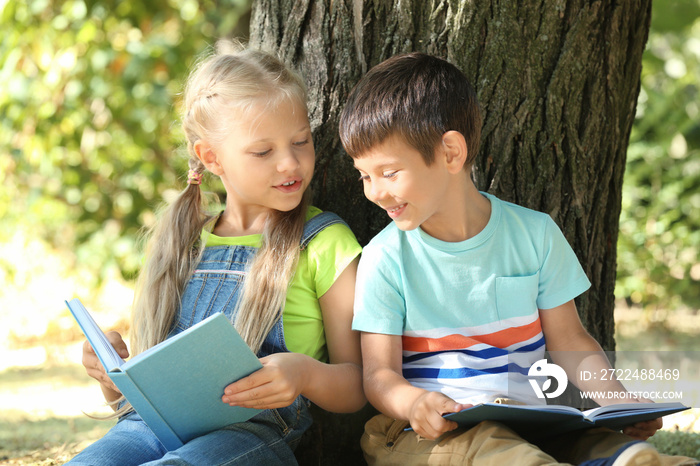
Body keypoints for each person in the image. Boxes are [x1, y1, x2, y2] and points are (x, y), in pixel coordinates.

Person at [338, 52, 697, 466]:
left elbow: (569, 341)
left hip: (539, 422)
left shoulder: (534, 233)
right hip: (429, 435)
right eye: (364, 175)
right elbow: (378, 376)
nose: (374, 192)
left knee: (626, 455)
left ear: (451, 152)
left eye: (388, 172)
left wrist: (618, 403)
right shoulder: (385, 258)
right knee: (504, 454)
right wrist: (414, 403)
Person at [69, 41, 365, 465]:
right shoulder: (183, 241)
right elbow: (141, 397)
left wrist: (304, 373)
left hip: (252, 434)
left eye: (301, 141)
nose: (290, 163)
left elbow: (357, 385)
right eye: (263, 151)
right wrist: (110, 375)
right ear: (211, 158)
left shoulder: (323, 241)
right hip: (149, 426)